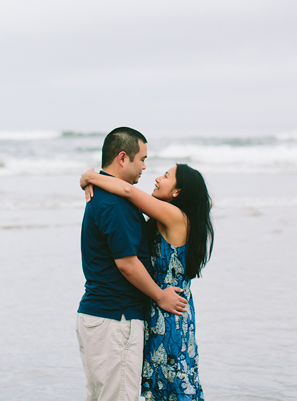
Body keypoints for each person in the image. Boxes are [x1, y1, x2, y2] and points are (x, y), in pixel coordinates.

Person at [80, 160, 214, 401]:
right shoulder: (166, 218)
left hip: (169, 310)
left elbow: (129, 191)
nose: (157, 179)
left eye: (165, 176)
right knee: (161, 387)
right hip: (161, 307)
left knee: (173, 383)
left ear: (177, 192)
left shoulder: (175, 216)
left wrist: (90, 177)